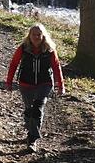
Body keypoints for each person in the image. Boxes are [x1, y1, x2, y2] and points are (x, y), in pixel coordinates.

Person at [4, 23, 65, 152]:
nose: (36, 37)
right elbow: (14, 64)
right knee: (29, 109)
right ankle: (29, 125)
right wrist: (9, 82)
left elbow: (56, 67)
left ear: (43, 36)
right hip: (26, 84)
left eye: (39, 34)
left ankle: (32, 140)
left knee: (37, 109)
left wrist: (60, 85)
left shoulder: (49, 50)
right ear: (29, 36)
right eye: (34, 34)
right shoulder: (23, 48)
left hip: (45, 84)